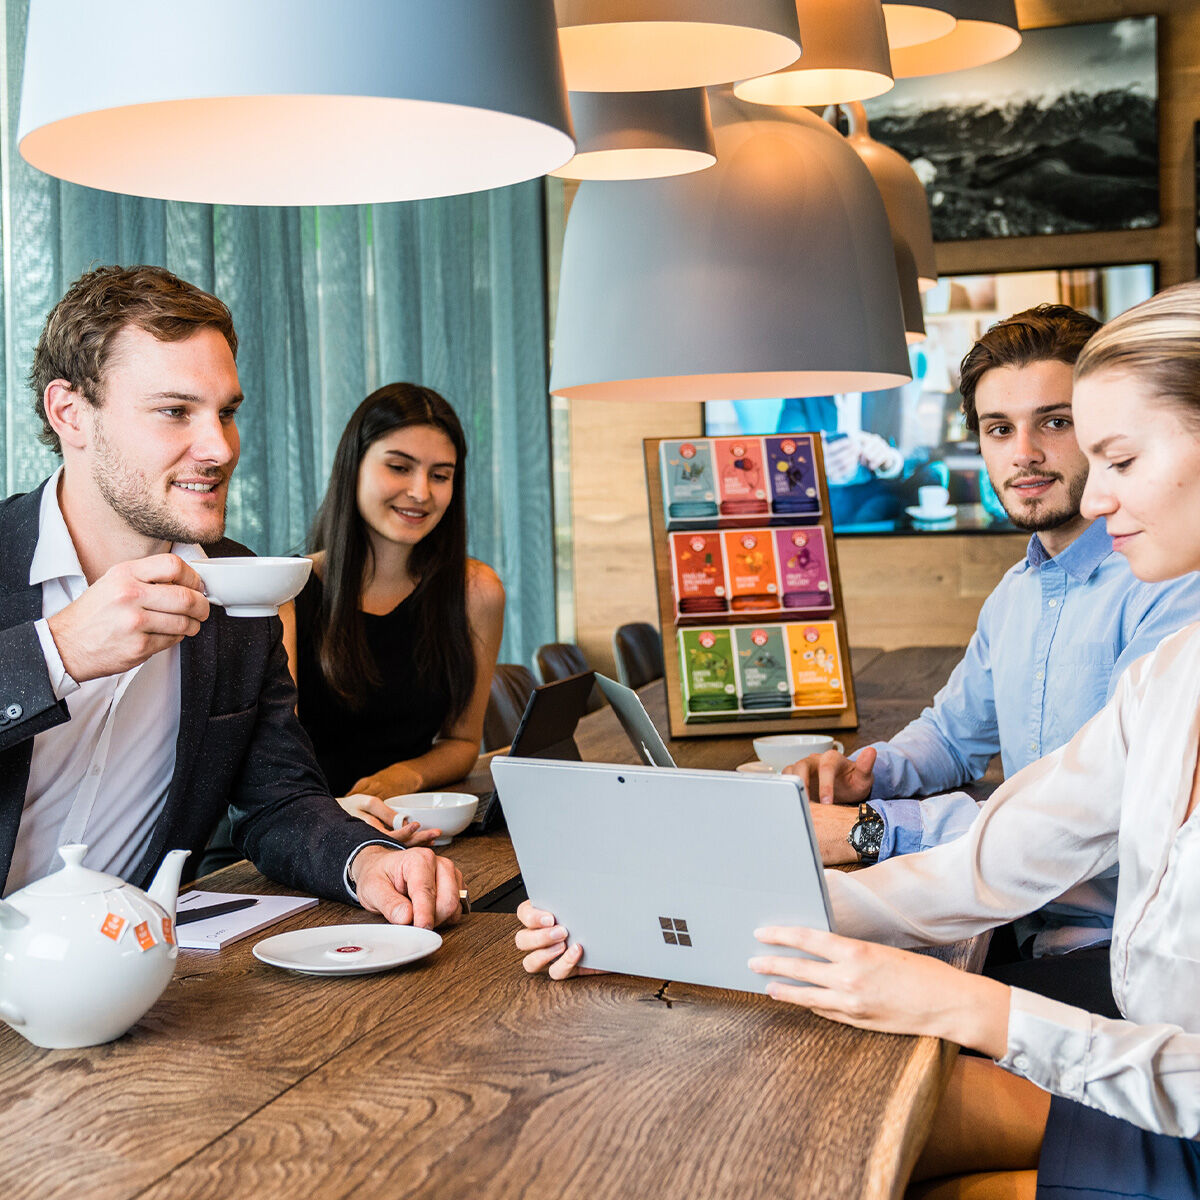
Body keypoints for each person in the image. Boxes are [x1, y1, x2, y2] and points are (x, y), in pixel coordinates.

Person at [519, 281, 1200, 1197]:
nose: (1097, 492)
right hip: (1125, 1060)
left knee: (817, 1123)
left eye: (1113, 453)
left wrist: (973, 1006)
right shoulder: (1169, 679)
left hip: (1154, 1097)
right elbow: (990, 864)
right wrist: (658, 922)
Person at [0, 264, 460, 929]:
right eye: (174, 412)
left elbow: (277, 797)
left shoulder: (240, 585)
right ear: (70, 412)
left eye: (227, 413)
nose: (219, 448)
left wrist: (364, 859)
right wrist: (58, 651)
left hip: (126, 979)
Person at [788, 305, 1200, 1004]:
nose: (1024, 453)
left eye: (1057, 422)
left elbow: (1086, 824)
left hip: (1117, 954)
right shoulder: (1018, 591)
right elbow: (954, 735)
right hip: (1012, 921)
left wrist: (868, 832)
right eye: (999, 429)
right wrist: (870, 776)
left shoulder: (1172, 588)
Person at [278, 383, 505, 838]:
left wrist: (407, 776)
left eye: (440, 475)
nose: (420, 492)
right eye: (399, 467)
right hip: (298, 831)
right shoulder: (287, 591)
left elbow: (462, 742)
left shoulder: (476, 592)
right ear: (353, 467)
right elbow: (277, 762)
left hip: (410, 827)